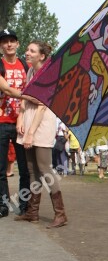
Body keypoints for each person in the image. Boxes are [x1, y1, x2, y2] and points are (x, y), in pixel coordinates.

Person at [15, 40, 67, 227]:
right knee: (31, 170)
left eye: (32, 51)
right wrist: (21, 119)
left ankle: (60, 214)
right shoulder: (30, 71)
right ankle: (32, 212)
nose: (27, 53)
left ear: (42, 56)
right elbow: (26, 97)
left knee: (45, 168)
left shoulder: (48, 74)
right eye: (27, 49)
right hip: (29, 119)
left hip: (42, 123)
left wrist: (30, 133)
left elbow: (42, 105)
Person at [0, 29, 30, 217]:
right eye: (5, 41)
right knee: (1, 169)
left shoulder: (26, 66)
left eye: (12, 41)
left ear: (18, 44)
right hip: (2, 122)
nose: (9, 44)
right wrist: (29, 95)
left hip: (22, 122)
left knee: (25, 169)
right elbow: (6, 89)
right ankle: (3, 205)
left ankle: (24, 204)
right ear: (1, 46)